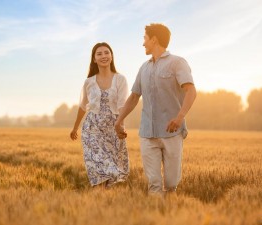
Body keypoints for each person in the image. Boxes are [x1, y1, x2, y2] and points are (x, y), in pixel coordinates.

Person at [115, 23, 196, 196]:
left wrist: (180, 117)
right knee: (154, 185)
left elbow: (191, 91)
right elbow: (134, 97)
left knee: (171, 185)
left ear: (154, 39)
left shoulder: (177, 62)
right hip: (147, 133)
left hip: (172, 132)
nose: (143, 43)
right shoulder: (143, 68)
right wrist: (119, 120)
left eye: (145, 39)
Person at [70, 42, 129, 188]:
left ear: (111, 56)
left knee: (114, 169)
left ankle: (105, 201)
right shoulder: (88, 82)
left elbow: (122, 105)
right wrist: (75, 128)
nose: (104, 56)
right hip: (92, 128)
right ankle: (99, 200)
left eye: (106, 52)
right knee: (97, 164)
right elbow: (83, 106)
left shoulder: (120, 79)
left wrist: (120, 125)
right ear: (94, 59)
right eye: (99, 54)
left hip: (113, 127)